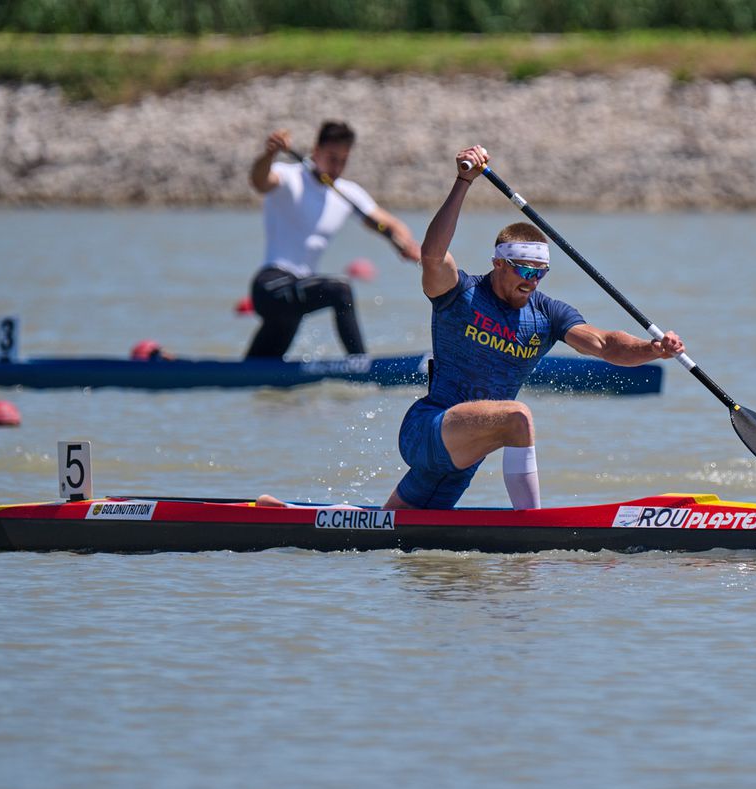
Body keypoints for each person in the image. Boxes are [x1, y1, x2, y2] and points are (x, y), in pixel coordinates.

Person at [383, 145, 684, 511]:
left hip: (468, 452)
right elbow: (431, 255)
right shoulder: (459, 293)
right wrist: (463, 182)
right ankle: (533, 523)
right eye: (524, 271)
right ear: (498, 264)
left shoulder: (548, 314)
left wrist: (653, 349)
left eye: (540, 273)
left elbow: (605, 344)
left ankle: (318, 519)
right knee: (518, 416)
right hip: (429, 429)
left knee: (396, 526)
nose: (532, 281)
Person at [245, 121, 420, 359]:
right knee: (341, 289)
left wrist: (409, 246)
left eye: (343, 160)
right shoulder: (289, 176)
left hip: (297, 299)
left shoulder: (348, 193)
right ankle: (360, 364)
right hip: (271, 287)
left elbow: (390, 225)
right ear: (316, 151)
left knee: (258, 371)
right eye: (332, 158)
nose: (337, 167)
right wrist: (270, 154)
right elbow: (259, 181)